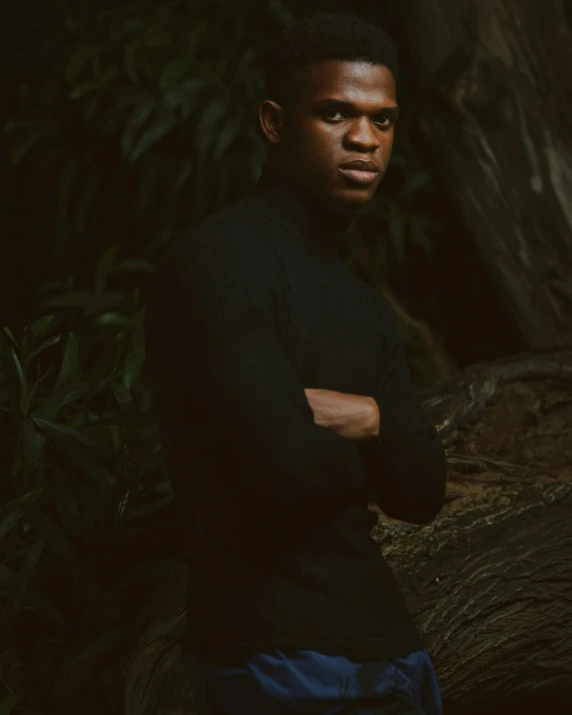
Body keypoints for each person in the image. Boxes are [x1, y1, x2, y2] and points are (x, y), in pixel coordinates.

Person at [145, 11, 447, 715]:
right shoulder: (218, 262)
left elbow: (424, 488)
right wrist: (372, 439)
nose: (364, 139)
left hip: (399, 656)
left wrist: (360, 415)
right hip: (276, 660)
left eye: (384, 120)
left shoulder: (366, 308)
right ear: (275, 123)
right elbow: (286, 467)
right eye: (336, 113)